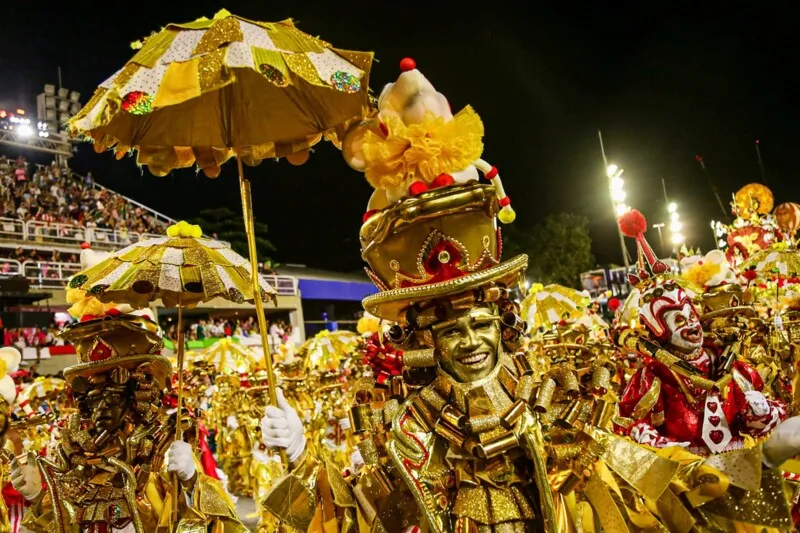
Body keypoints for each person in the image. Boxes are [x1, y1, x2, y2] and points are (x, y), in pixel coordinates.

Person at [257, 59, 800, 532]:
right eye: (450, 331)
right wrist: (303, 452)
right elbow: (359, 517)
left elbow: (651, 486)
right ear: (426, 343)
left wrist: (765, 455)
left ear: (503, 325)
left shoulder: (557, 410)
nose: (469, 341)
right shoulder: (411, 440)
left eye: (479, 324)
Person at [9, 309, 247, 533]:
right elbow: (62, 522)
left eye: (111, 396)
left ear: (134, 398)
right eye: (94, 398)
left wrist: (191, 484)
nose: (100, 407)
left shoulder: (161, 451)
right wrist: (37, 496)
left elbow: (215, 524)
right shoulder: (76, 456)